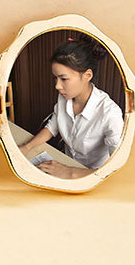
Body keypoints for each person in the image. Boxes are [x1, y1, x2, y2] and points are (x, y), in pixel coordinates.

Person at [17, 35, 124, 178]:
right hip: (65, 163)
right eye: (55, 78)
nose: (57, 86)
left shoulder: (110, 113)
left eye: (64, 79)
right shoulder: (64, 97)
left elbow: (118, 169)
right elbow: (52, 127)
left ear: (87, 75)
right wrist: (26, 147)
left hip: (92, 176)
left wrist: (70, 172)